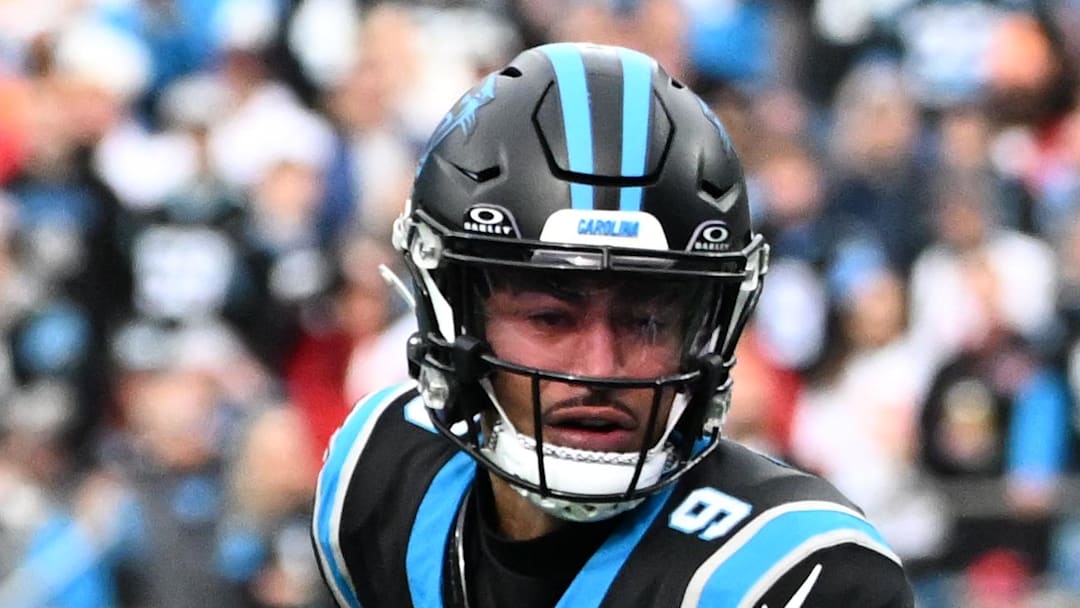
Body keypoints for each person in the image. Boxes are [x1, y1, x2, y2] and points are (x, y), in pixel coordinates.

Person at [311, 42, 914, 607]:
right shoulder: (379, 478)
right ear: (455, 314)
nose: (599, 367)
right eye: (550, 318)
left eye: (647, 321)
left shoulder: (795, 573)